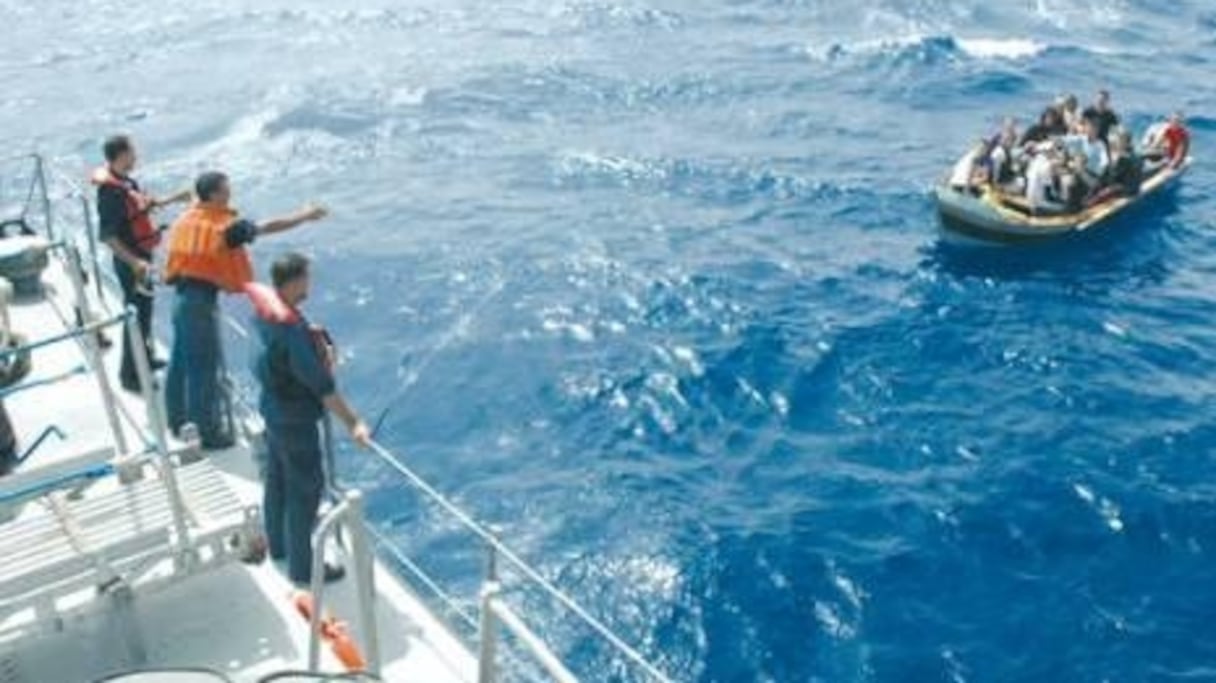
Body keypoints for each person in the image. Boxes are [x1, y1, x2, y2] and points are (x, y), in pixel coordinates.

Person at [163, 171, 327, 450]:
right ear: (215, 194)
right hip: (199, 303)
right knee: (204, 368)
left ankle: (177, 420)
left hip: (180, 297)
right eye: (226, 189)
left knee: (180, 363)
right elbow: (265, 227)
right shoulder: (224, 228)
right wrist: (304, 215)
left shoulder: (189, 217)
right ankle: (209, 433)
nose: (230, 193)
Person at [250, 253, 370, 586]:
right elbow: (323, 387)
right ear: (294, 282)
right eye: (306, 278)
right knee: (304, 490)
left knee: (276, 479)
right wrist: (355, 423)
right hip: (294, 420)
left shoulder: (268, 315)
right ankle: (304, 570)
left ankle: (279, 547)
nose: (309, 284)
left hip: (272, 410)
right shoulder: (292, 332)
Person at [92, 135, 191, 393]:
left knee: (145, 311)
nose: (136, 157)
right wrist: (134, 261)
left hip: (141, 260)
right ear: (121, 155)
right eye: (132, 153)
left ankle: (144, 359)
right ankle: (130, 376)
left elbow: (142, 207)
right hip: (131, 264)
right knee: (134, 315)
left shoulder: (125, 182)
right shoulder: (110, 193)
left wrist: (174, 199)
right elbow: (108, 236)